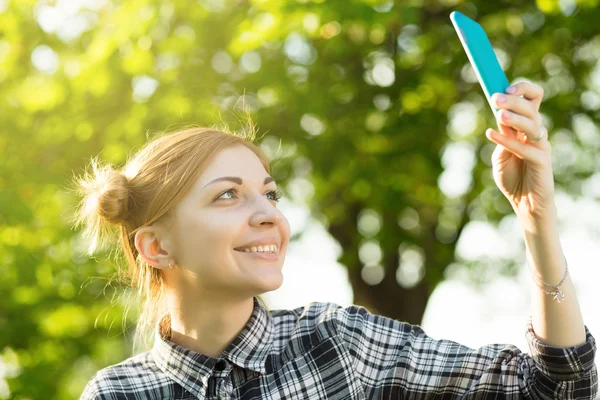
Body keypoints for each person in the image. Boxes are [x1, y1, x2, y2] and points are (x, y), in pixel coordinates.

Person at [77, 81, 597, 399]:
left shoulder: (338, 343)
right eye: (228, 196)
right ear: (155, 248)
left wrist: (537, 220)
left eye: (270, 194)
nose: (270, 217)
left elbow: (554, 390)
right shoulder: (116, 394)